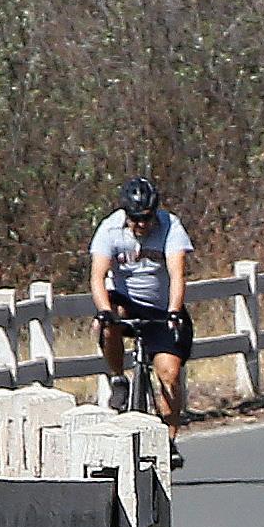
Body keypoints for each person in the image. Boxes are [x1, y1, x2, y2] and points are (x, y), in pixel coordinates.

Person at [88, 175, 195, 432]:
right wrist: (104, 311)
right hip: (125, 301)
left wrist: (174, 312)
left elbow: (177, 275)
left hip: (161, 308)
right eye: (135, 218)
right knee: (107, 322)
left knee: (169, 375)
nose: (141, 224)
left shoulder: (170, 226)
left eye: (147, 218)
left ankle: (169, 439)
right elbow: (97, 276)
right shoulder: (109, 229)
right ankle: (118, 379)